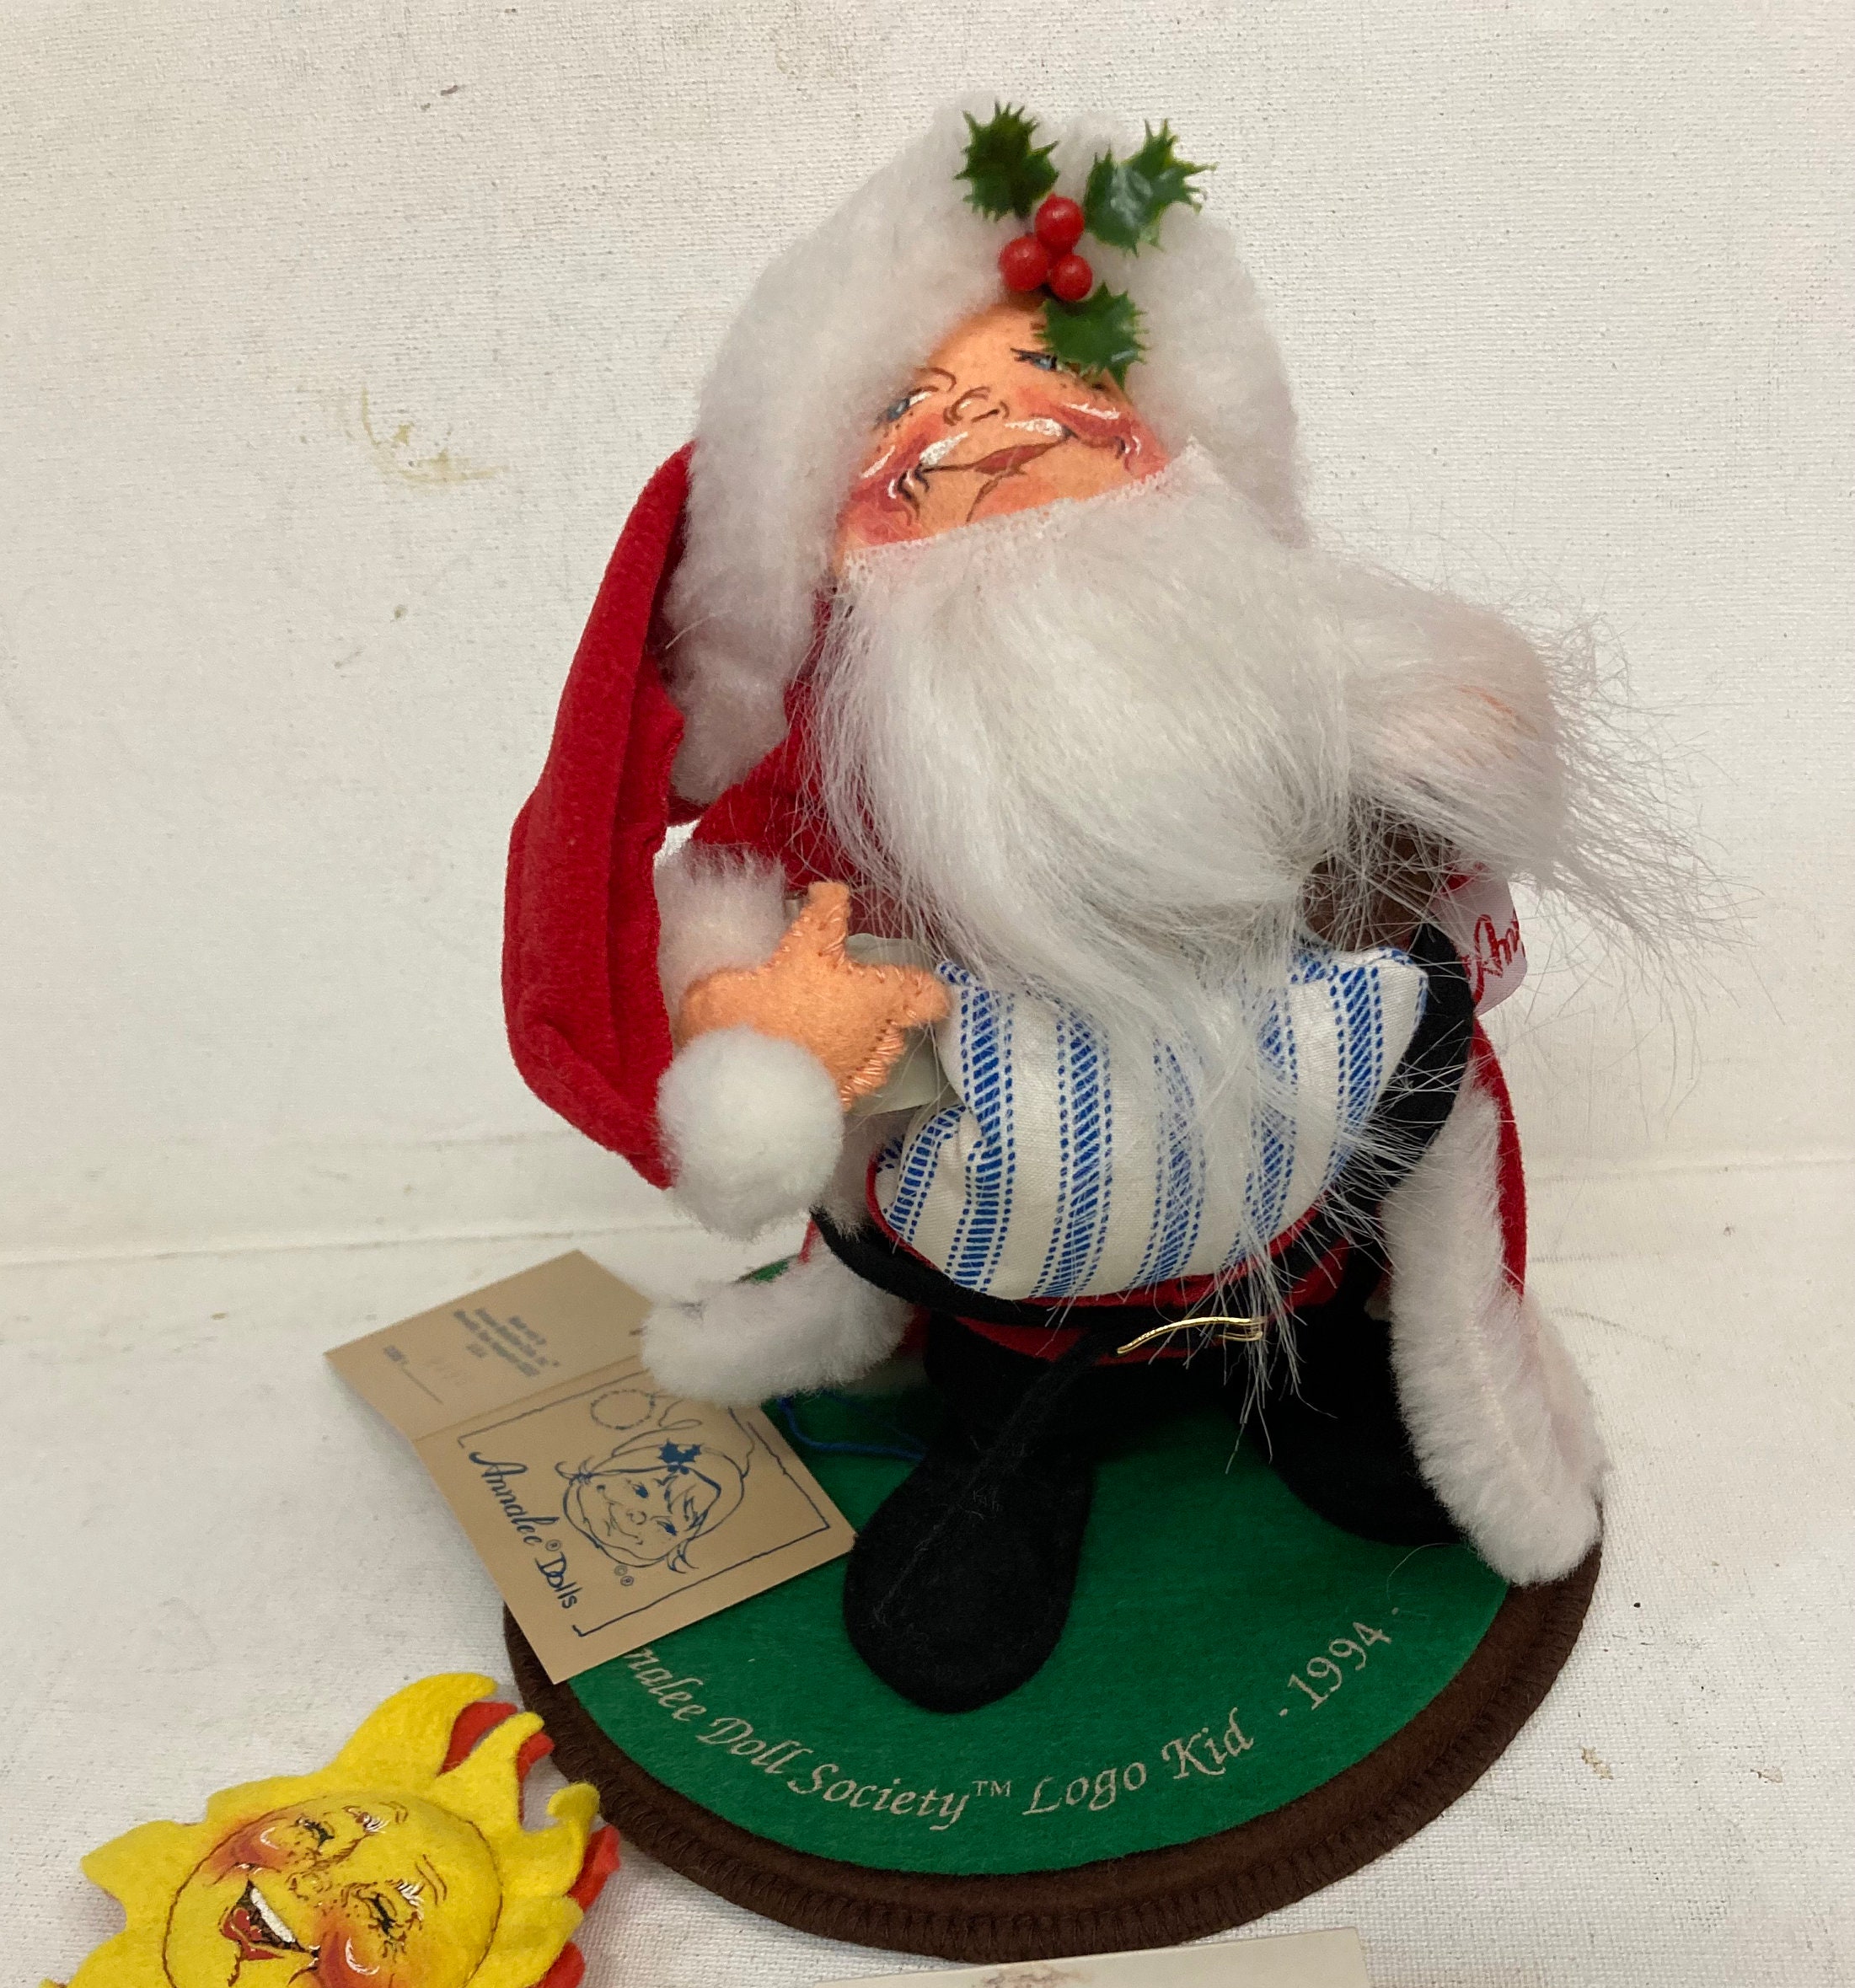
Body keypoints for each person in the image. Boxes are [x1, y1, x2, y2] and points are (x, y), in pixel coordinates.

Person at [505, 104, 1641, 1710]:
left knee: (1321, 1345)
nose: (1022, 476)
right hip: (1007, 1289)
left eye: (1081, 426)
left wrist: (1450, 768)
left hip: (1296, 1239)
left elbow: (1440, 909)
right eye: (935, 460)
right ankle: (1012, 1464)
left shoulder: (1287, 711)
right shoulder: (846, 788)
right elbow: (735, 960)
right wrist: (780, 1052)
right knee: (997, 1448)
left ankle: (1316, 1387)